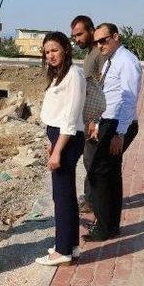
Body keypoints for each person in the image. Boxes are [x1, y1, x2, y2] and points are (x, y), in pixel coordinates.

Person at [84, 23, 142, 242]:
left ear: (115, 37)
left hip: (119, 125)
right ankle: (110, 225)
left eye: (103, 40)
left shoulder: (126, 61)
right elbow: (108, 96)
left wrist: (120, 133)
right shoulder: (112, 60)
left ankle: (105, 225)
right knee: (110, 174)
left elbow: (128, 99)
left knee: (99, 171)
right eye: (96, 42)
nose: (100, 45)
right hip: (109, 122)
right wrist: (97, 122)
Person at [35, 31, 86, 266]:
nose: (51, 55)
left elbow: (71, 117)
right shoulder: (59, 75)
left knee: (62, 196)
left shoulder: (74, 74)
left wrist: (57, 150)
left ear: (66, 48)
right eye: (47, 52)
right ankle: (70, 245)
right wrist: (51, 144)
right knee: (63, 194)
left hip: (67, 138)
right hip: (59, 138)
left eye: (54, 50)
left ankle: (63, 250)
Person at [70, 15, 107, 216]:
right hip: (91, 117)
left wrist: (97, 121)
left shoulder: (99, 53)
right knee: (89, 159)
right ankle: (92, 198)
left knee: (92, 160)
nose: (77, 39)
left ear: (91, 30)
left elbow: (104, 87)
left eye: (80, 34)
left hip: (96, 119)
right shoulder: (91, 52)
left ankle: (93, 202)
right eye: (74, 36)